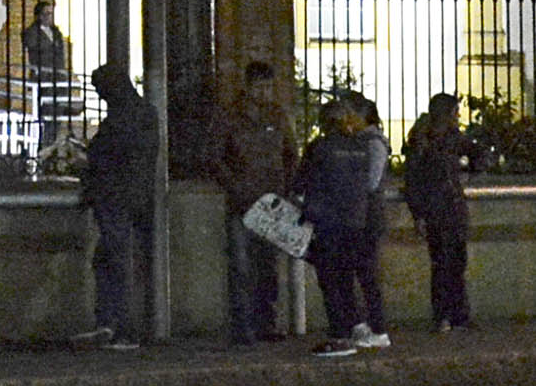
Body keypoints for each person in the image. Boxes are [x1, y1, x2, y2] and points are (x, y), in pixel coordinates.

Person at [204, 59, 296, 345]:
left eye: (269, 87)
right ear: (248, 87)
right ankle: (242, 326)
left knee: (267, 266)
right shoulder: (230, 117)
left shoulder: (277, 117)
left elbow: (290, 154)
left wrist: (287, 187)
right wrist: (235, 186)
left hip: (272, 201)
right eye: (260, 87)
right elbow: (214, 157)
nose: (265, 92)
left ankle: (266, 323)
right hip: (243, 201)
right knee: (241, 266)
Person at [295, 92, 392, 353]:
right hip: (355, 222)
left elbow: (302, 182)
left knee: (333, 280)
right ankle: (359, 327)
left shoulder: (320, 148)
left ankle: (341, 333)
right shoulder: (360, 147)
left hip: (328, 223)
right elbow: (365, 186)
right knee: (354, 277)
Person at [74, 61, 153, 349]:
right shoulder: (143, 113)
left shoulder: (121, 118)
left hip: (115, 198)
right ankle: (111, 323)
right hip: (132, 197)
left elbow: (107, 156)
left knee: (115, 263)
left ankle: (120, 328)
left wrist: (86, 162)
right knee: (109, 260)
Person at [401, 90, 478, 332]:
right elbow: (412, 180)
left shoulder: (448, 138)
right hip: (441, 208)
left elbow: (478, 154)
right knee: (445, 264)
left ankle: (455, 316)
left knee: (454, 263)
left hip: (447, 207)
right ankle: (447, 315)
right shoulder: (425, 140)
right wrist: (419, 214)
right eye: (455, 112)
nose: (458, 116)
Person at [20, 0, 76, 149]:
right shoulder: (31, 33)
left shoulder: (56, 32)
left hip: (58, 78)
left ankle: (52, 146)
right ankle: (42, 146)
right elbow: (31, 50)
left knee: (57, 114)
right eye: (45, 13)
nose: (49, 17)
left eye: (50, 13)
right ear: (38, 15)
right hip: (43, 78)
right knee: (45, 113)